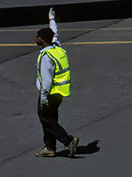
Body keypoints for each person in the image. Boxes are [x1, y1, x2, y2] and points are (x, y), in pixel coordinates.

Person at [34, 8, 98, 158]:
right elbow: (54, 33)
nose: (35, 38)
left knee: (45, 119)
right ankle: (49, 147)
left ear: (42, 40)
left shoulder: (46, 57)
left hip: (50, 93)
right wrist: (52, 20)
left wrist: (43, 96)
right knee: (51, 119)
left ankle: (68, 140)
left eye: (37, 37)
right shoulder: (57, 48)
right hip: (60, 93)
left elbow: (47, 79)